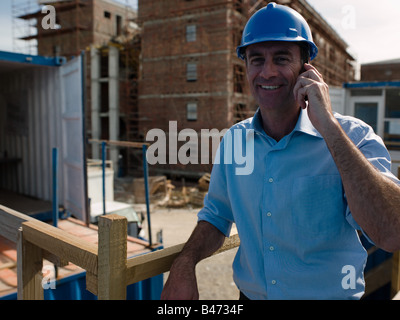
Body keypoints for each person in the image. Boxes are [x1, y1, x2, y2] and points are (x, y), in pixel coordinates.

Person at [161, 2, 400, 300]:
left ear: (307, 67)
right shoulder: (235, 141)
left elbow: (392, 232)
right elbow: (217, 215)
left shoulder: (353, 137)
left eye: (282, 58)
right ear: (246, 67)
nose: (268, 72)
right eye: (257, 59)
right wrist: (185, 262)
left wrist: (328, 128)